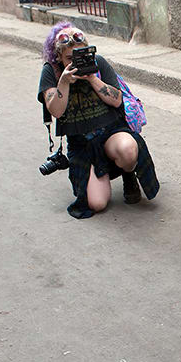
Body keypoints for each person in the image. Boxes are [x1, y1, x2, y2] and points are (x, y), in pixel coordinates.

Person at [38, 22, 158, 218]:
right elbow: (56, 111)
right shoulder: (52, 72)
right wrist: (65, 82)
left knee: (128, 149)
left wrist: (93, 78)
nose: (75, 63)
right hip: (82, 144)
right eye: (69, 58)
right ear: (58, 56)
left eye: (80, 55)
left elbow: (117, 100)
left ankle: (128, 173)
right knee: (97, 204)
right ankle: (100, 175)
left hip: (111, 132)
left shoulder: (98, 63)